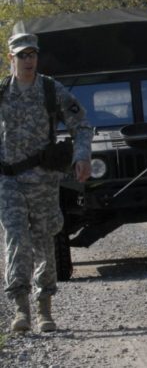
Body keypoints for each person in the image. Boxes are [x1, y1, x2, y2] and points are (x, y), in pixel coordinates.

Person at [1, 33, 93, 332]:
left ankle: (44, 309)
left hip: (43, 180)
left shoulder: (51, 90)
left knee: (44, 241)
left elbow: (81, 124)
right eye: (22, 55)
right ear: (10, 58)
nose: (28, 60)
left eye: (32, 54)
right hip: (8, 181)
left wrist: (82, 156)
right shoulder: (2, 92)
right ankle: (20, 309)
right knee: (16, 239)